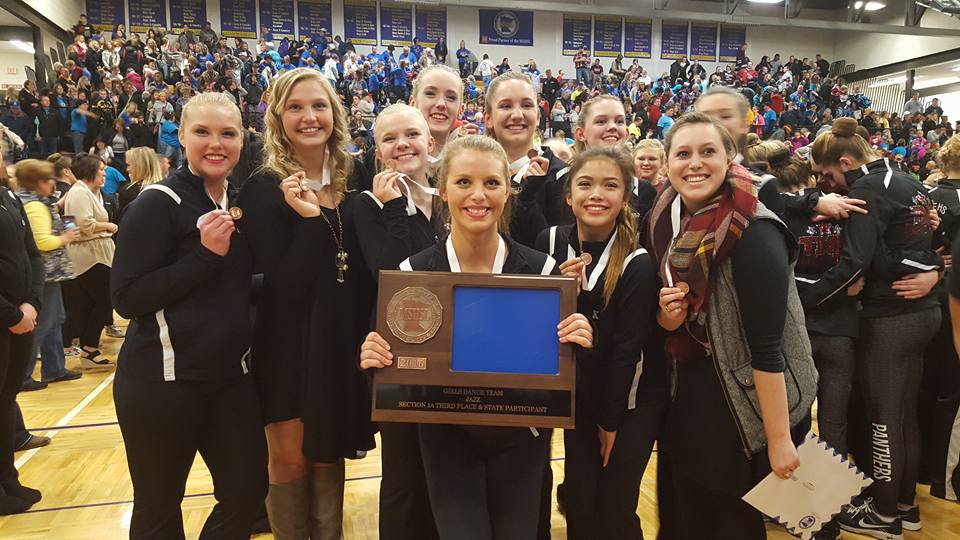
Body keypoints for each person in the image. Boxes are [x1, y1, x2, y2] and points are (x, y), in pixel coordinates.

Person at [359, 135, 593, 539]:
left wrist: (580, 340)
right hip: (445, 440)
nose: (478, 195)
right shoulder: (412, 274)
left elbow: (567, 378)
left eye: (491, 183)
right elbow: (391, 374)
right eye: (464, 182)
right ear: (443, 189)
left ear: (508, 191)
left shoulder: (543, 272)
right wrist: (374, 357)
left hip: (523, 438)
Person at [649, 112, 816, 539]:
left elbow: (768, 346)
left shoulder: (756, 230)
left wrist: (779, 440)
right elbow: (679, 323)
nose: (695, 163)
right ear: (667, 164)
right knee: (689, 518)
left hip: (747, 406)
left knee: (729, 524)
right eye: (683, 153)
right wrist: (668, 317)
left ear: (730, 159)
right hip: (692, 395)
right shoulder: (669, 220)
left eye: (708, 152)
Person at [110, 91, 267, 539]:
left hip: (229, 381)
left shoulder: (234, 203)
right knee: (159, 507)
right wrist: (205, 256)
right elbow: (126, 297)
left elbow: (231, 288)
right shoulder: (157, 203)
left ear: (242, 140)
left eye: (227, 133)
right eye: (202, 132)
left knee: (248, 492)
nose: (215, 143)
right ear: (181, 136)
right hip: (161, 384)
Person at [236, 68, 375, 539]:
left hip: (338, 336)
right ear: (278, 118)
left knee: (327, 446)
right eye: (295, 107)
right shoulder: (263, 185)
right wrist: (310, 219)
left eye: (318, 106)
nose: (308, 116)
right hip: (288, 339)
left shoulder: (353, 177)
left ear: (335, 114)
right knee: (290, 453)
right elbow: (286, 282)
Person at [807, 118, 942, 539]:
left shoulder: (866, 190)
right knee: (903, 414)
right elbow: (934, 242)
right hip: (924, 313)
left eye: (828, 176)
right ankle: (904, 505)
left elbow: (855, 264)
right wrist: (936, 269)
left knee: (884, 418)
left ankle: (885, 517)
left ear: (845, 162)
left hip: (889, 317)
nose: (827, 186)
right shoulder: (909, 180)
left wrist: (803, 300)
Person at [535, 147, 666, 539]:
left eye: (610, 185)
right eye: (585, 184)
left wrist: (610, 423)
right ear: (568, 195)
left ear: (626, 197)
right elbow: (536, 329)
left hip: (629, 401)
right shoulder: (549, 242)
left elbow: (627, 352)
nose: (597, 194)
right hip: (578, 397)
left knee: (614, 508)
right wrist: (559, 294)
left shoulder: (637, 263)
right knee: (579, 504)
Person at [352, 103, 442, 540]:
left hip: (447, 353)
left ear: (431, 141)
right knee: (404, 476)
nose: (402, 144)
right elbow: (390, 273)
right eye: (389, 138)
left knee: (446, 472)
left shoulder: (453, 197)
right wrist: (396, 207)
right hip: (396, 354)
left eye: (411, 134)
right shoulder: (367, 206)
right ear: (377, 152)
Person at [0, 132, 44, 518]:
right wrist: (12, 314)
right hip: (7, 319)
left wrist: (31, 302)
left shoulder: (9, 197)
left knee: (5, 400)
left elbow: (32, 254)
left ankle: (8, 481)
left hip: (21, 316)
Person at [14, 160, 82, 388]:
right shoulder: (34, 206)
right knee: (44, 323)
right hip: (45, 274)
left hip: (50, 273)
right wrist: (66, 238)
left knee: (55, 320)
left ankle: (54, 368)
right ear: (37, 183)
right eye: (48, 179)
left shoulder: (38, 202)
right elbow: (40, 241)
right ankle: (22, 375)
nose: (53, 183)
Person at [483, 72, 567, 237]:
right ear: (488, 119)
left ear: (537, 116)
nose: (517, 115)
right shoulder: (473, 172)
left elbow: (558, 247)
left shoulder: (562, 177)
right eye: (505, 106)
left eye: (527, 105)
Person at [927, 134, 960, 503]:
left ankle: (928, 471)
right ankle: (943, 475)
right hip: (949, 294)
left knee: (930, 387)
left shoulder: (927, 194)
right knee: (952, 393)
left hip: (930, 297)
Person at [62, 154, 117, 370]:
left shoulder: (83, 192)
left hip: (93, 252)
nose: (104, 173)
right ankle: (89, 348)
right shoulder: (79, 192)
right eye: (101, 169)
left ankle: (88, 350)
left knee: (90, 303)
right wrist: (109, 226)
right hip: (90, 256)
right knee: (105, 301)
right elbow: (83, 224)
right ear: (90, 171)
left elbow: (70, 223)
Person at [117, 147, 164, 214]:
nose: (127, 169)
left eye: (129, 165)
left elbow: (122, 221)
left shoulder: (128, 193)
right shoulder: (165, 188)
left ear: (139, 166)